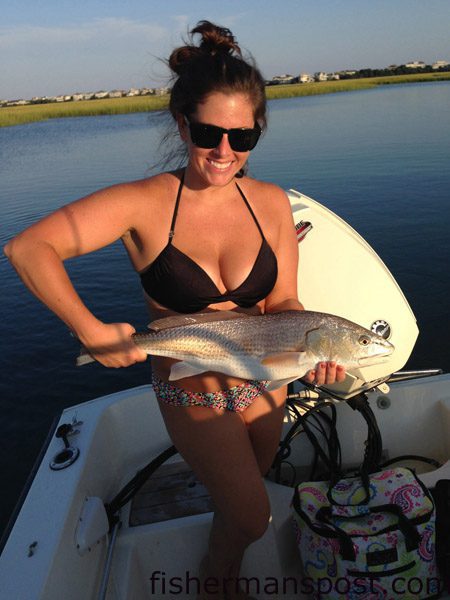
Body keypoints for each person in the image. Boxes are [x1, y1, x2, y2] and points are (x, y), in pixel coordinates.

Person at [4, 21, 345, 599]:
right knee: (251, 515)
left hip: (267, 385)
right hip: (193, 389)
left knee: (240, 502)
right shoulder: (144, 203)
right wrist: (88, 328)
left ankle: (224, 578)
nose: (224, 151)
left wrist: (316, 344)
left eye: (243, 138)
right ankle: (217, 589)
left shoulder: (270, 203)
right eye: (209, 131)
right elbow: (28, 248)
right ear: (182, 122)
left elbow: (282, 299)